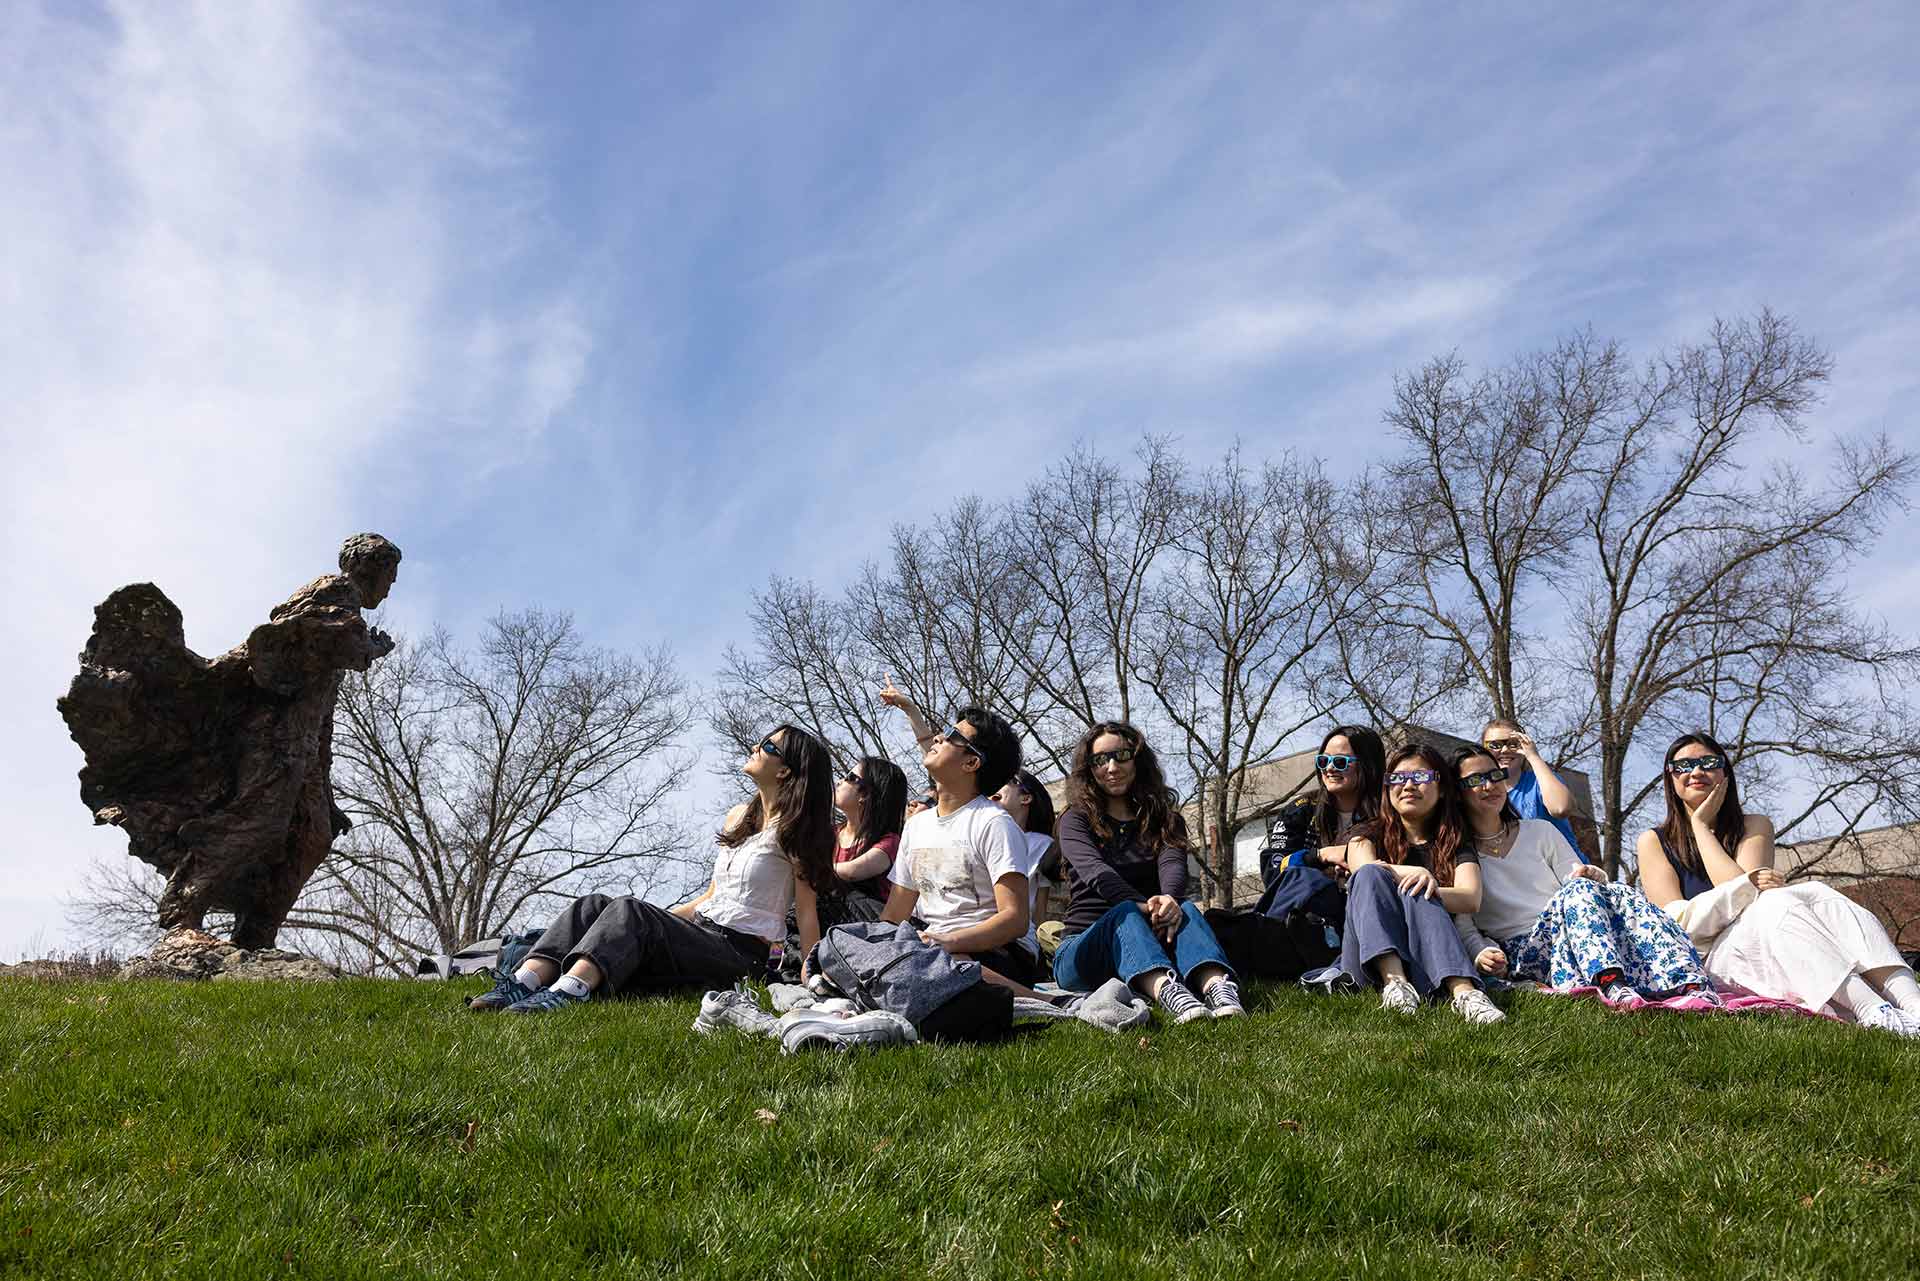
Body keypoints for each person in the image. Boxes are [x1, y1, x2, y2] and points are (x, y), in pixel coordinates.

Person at [467, 725, 834, 1012]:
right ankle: (523, 982)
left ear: (785, 771)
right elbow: (710, 897)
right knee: (595, 904)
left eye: (769, 746)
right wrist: (649, 920)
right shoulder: (740, 817)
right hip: (701, 933)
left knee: (630, 909)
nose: (758, 746)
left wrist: (810, 971)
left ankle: (569, 992)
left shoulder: (796, 832)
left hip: (739, 955)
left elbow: (805, 915)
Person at [1636, 732, 1920, 1036]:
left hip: (1769, 932)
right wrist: (1700, 826)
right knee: (1773, 902)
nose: (1696, 771)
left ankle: (1912, 1005)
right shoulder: (1654, 841)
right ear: (1670, 778)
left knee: (1818, 893)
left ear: (1724, 772)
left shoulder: (1753, 826)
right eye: (1683, 766)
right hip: (1714, 957)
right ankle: (1873, 1010)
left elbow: (1746, 898)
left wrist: (1707, 835)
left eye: (1708, 762)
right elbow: (1679, 925)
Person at [1448, 745, 1709, 1002]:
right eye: (1475, 780)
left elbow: (1574, 877)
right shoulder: (1459, 854)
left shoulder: (1540, 831)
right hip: (1522, 952)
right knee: (1582, 890)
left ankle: (1687, 982)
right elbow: (1465, 924)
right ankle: (1610, 983)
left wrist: (1592, 874)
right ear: (1456, 793)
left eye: (1495, 775)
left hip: (1573, 930)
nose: (1489, 785)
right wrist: (1480, 951)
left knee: (1616, 891)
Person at [1050, 722, 1243, 1022]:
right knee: (1126, 912)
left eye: (1121, 755)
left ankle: (1219, 988)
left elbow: (1173, 865)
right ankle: (1170, 992)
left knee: (1187, 908)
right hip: (1082, 951)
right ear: (1089, 768)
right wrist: (1144, 907)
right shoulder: (1074, 820)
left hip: (1150, 937)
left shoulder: (1165, 819)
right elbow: (1096, 873)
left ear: (1137, 759)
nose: (1112, 767)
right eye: (1100, 760)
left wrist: (1169, 900)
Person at [875, 681, 1043, 986]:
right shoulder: (916, 826)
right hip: (933, 946)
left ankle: (1042, 1000)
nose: (938, 736)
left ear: (971, 763)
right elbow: (894, 915)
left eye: (952, 736)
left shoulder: (993, 823)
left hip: (998, 952)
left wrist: (949, 942)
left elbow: (1015, 920)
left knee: (930, 965)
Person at [1338, 742, 1505, 1024]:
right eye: (1398, 778)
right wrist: (1415, 873)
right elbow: (1365, 871)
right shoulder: (1365, 835)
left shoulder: (1453, 842)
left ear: (1441, 789)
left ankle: (1466, 994)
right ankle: (1396, 985)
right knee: (1375, 877)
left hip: (1426, 959)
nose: (1408, 785)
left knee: (1422, 890)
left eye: (1420, 777)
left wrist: (1427, 884)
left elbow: (1470, 897)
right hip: (1367, 962)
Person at [1255, 725, 1386, 921]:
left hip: (1371, 911)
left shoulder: (1391, 811)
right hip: (1309, 919)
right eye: (1323, 761)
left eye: (1341, 762)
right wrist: (1319, 856)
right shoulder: (1300, 810)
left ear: (1368, 765)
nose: (1330, 768)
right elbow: (1274, 874)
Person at [1479, 718, 1584, 858]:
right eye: (1494, 745)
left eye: (1513, 744)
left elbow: (1561, 808)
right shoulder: (1481, 794)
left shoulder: (1540, 780)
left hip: (1569, 870)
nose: (1504, 750)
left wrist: (1533, 756)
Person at [993, 770, 1063, 958]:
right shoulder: (985, 836)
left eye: (1006, 781)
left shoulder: (1043, 845)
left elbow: (1039, 906)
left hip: (1015, 939)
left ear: (1025, 798)